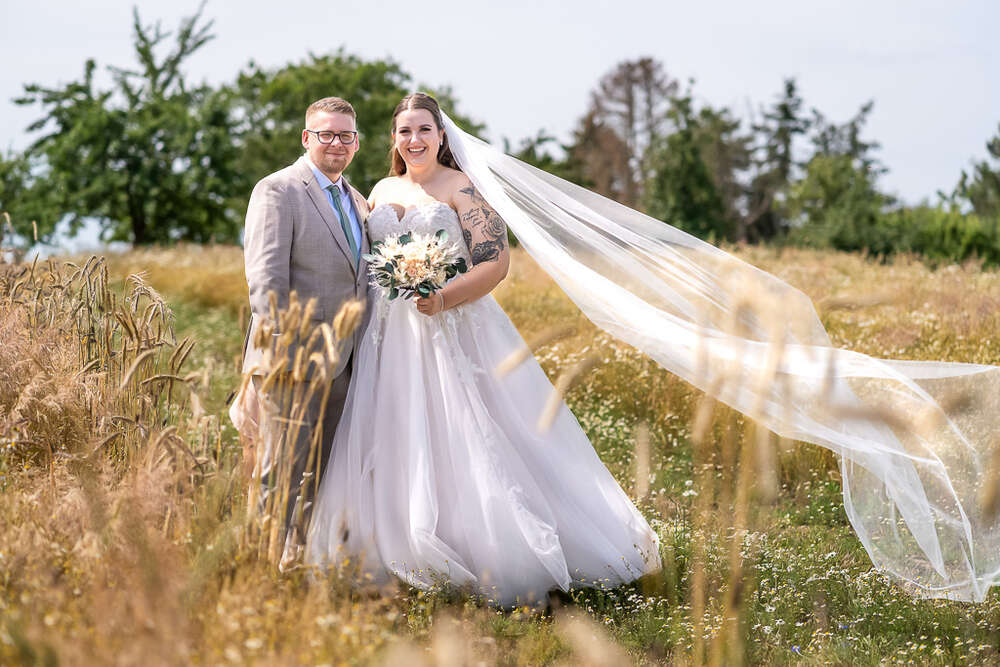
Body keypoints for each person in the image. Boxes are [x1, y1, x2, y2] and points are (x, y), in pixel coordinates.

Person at [305, 93, 661, 606]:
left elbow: (495, 264)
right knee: (397, 430)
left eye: (424, 130)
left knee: (470, 430)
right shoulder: (380, 189)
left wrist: (442, 296)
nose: (414, 140)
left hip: (454, 328)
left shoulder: (463, 188)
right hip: (390, 337)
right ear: (393, 139)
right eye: (404, 132)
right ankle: (393, 543)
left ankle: (489, 547)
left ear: (442, 136)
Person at [236, 96, 371, 568]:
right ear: (306, 138)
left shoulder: (355, 199)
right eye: (326, 134)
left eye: (346, 135)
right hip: (292, 359)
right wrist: (292, 354)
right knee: (283, 469)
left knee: (322, 469)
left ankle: (300, 562)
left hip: (346, 360)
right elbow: (266, 282)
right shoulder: (277, 191)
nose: (337, 143)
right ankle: (263, 568)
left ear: (356, 143)